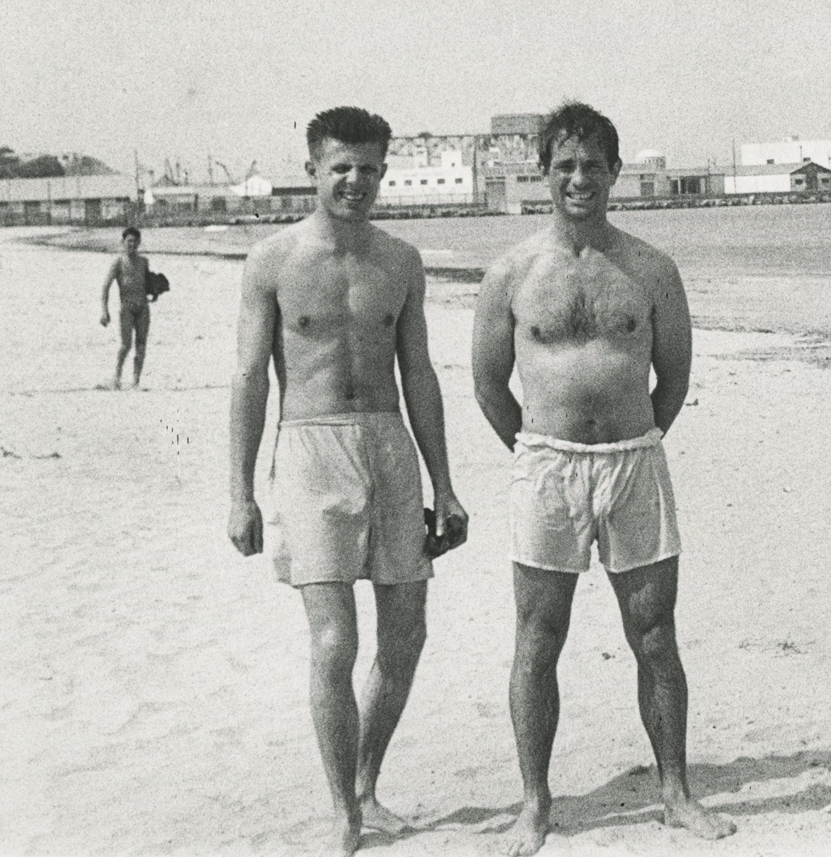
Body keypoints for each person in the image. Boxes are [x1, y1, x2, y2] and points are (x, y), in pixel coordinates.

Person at [471, 101, 734, 855]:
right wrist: (537, 451)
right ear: (544, 173)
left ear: (615, 172)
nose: (579, 178)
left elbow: (674, 377)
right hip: (546, 467)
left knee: (655, 635)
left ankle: (676, 791)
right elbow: (490, 384)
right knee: (537, 638)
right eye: (564, 166)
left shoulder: (651, 268)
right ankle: (534, 803)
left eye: (592, 165)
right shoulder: (512, 271)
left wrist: (627, 441)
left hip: (633, 463)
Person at [226, 106, 469, 856]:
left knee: (407, 636)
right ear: (311, 168)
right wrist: (239, 491)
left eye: (368, 167)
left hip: (389, 447)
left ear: (383, 170)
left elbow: (420, 374)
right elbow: (247, 379)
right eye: (340, 166)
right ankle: (343, 813)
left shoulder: (400, 259)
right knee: (334, 643)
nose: (354, 180)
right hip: (309, 448)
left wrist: (446, 484)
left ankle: (366, 783)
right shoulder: (271, 260)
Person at [100, 225, 152, 388]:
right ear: (123, 242)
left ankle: (135, 381)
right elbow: (106, 287)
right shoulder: (118, 262)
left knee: (141, 345)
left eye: (135, 241)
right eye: (129, 241)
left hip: (143, 307)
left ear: (139, 242)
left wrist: (155, 292)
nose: (132, 244)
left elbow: (147, 284)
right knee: (126, 345)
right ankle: (117, 377)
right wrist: (104, 311)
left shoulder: (144, 261)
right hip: (127, 308)